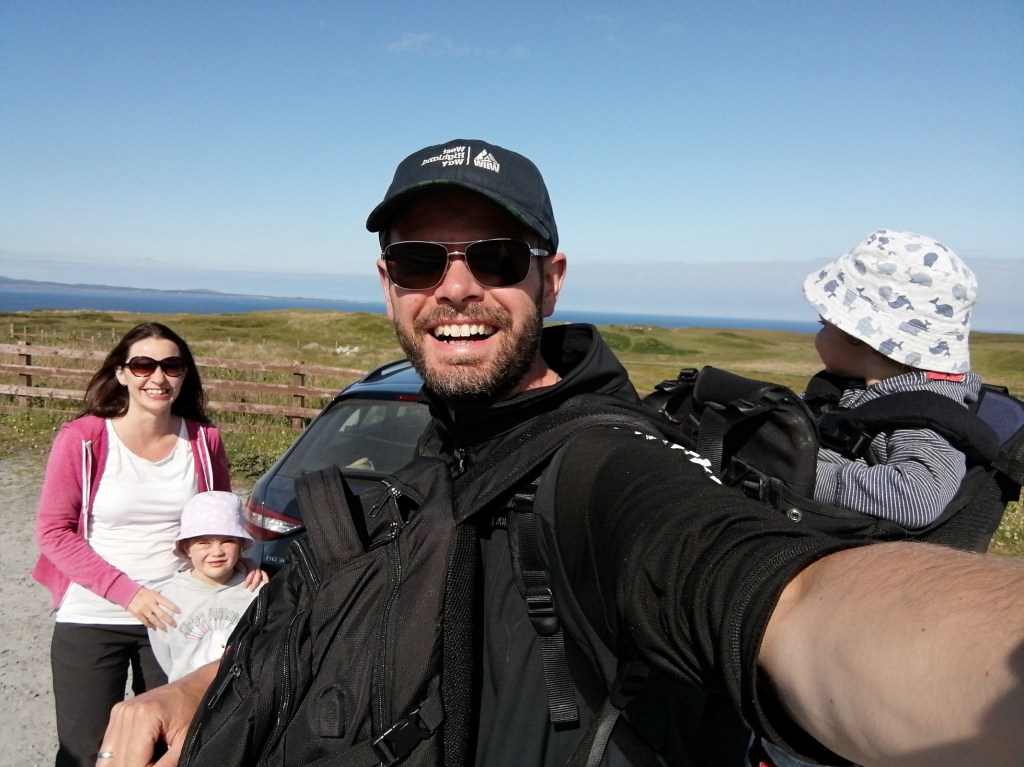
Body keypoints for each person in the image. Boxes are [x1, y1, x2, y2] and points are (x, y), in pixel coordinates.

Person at [99, 140, 1024, 767]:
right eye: (421, 260)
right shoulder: (438, 452)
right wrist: (200, 691)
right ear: (388, 284)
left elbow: (790, 601)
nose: (456, 288)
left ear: (551, 275)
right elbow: (365, 606)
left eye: (496, 256)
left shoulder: (610, 466)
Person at [33, 322, 235, 767]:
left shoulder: (203, 441)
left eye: (171, 365)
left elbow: (217, 520)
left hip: (175, 616)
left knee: (170, 744)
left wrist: (245, 565)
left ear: (184, 375)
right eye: (143, 364)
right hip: (91, 615)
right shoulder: (83, 439)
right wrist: (129, 593)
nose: (157, 377)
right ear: (122, 373)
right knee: (85, 752)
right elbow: (53, 531)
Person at [803, 229, 982, 528]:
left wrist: (798, 473)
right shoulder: (860, 388)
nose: (818, 333)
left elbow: (918, 497)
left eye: (824, 323)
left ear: (858, 334)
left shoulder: (923, 414)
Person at [148, 491, 262, 683]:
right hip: (187, 701)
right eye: (204, 543)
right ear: (186, 548)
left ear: (241, 545)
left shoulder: (256, 591)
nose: (216, 551)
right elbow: (165, 656)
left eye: (227, 541)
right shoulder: (168, 599)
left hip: (241, 700)